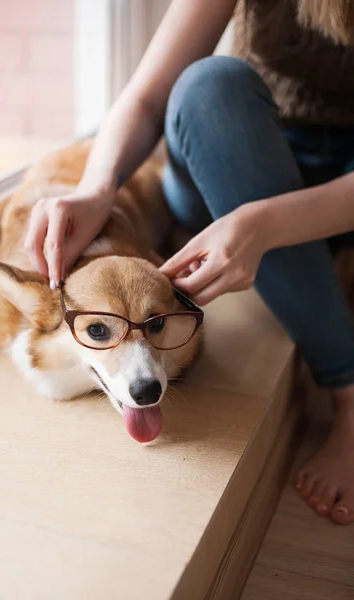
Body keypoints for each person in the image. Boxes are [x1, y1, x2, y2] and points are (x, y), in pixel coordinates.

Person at [24, 0, 354, 524]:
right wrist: (96, 189)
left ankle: (348, 396)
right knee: (208, 85)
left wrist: (264, 224)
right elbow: (150, 94)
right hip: (231, 154)